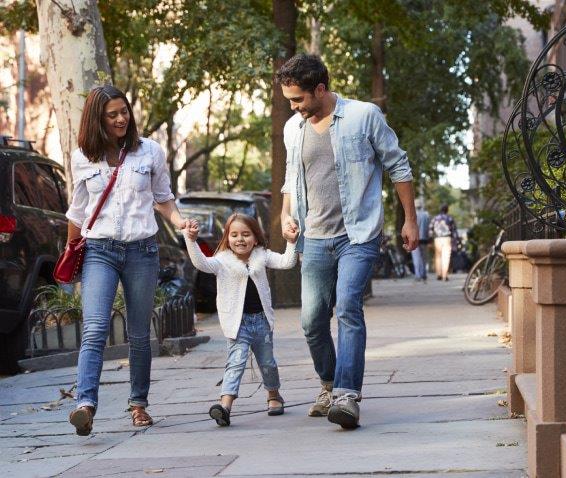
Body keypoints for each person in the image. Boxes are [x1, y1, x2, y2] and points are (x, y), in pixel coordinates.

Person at [277, 54, 418, 429]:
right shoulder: (294, 128)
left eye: (298, 99)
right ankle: (328, 383)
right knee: (311, 321)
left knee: (348, 306)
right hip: (315, 237)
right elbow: (292, 178)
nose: (293, 107)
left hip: (358, 233)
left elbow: (398, 165)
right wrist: (284, 215)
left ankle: (347, 395)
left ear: (320, 89)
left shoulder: (363, 116)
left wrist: (410, 219)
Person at [65, 85, 192, 435]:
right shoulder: (81, 157)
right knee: (94, 328)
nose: (122, 119)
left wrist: (181, 224)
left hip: (141, 251)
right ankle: (85, 405)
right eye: (112, 114)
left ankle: (138, 405)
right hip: (99, 250)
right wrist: (69, 258)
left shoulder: (148, 151)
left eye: (125, 111)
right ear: (97, 120)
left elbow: (163, 198)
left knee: (138, 333)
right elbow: (77, 212)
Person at [183, 213, 297, 427]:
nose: (240, 239)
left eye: (246, 234)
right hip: (237, 324)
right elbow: (201, 263)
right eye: (234, 235)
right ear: (227, 238)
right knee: (235, 363)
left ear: (256, 237)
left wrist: (291, 242)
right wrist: (191, 239)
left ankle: (274, 395)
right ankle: (224, 406)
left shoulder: (261, 255)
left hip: (261, 322)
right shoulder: (222, 261)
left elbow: (287, 262)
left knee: (268, 363)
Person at [429, 204, 458, 281]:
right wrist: (455, 240)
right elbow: (454, 230)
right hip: (447, 238)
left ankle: (439, 274)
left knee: (438, 257)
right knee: (446, 257)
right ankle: (445, 275)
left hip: (437, 239)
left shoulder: (435, 218)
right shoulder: (450, 218)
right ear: (447, 210)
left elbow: (430, 229)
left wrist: (431, 238)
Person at [411, 199, 430, 282]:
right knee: (423, 257)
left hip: (414, 238)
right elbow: (428, 228)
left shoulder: (412, 214)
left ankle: (418, 275)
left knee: (416, 257)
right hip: (424, 239)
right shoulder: (426, 215)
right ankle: (424, 274)